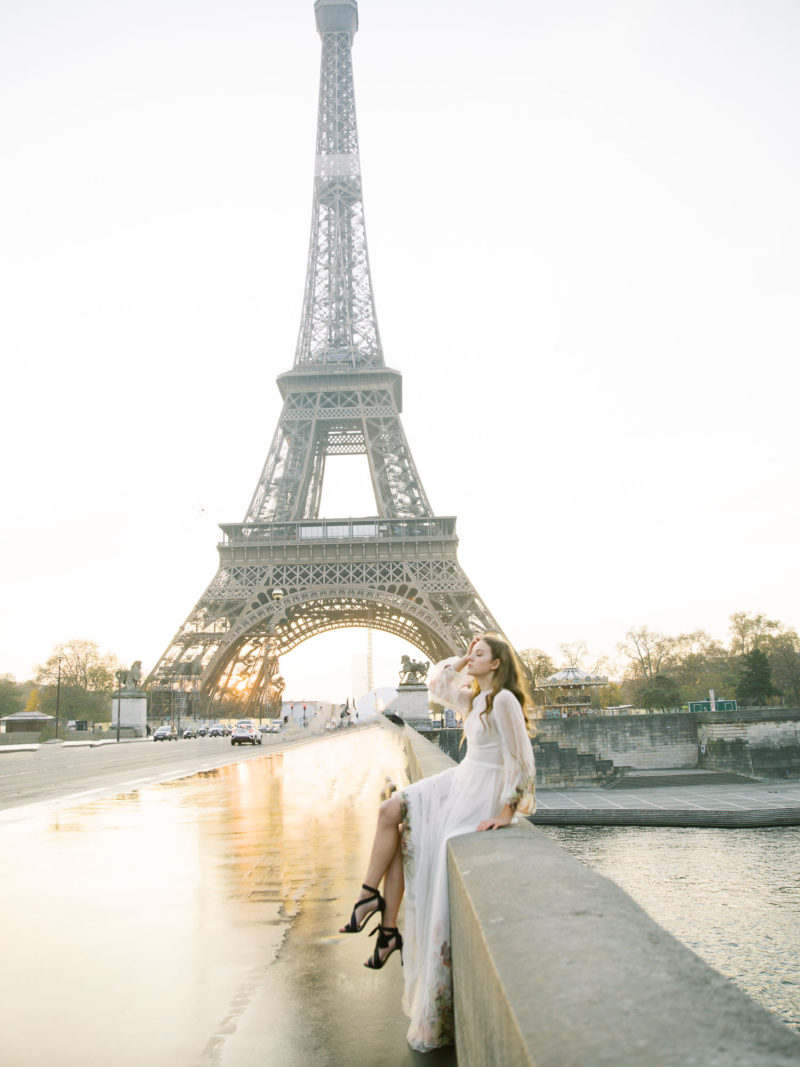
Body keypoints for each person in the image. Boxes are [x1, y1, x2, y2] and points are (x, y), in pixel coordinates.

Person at [338, 633, 536, 1052]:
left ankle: (384, 924)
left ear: (498, 663)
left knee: (416, 828)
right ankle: (374, 905)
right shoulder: (476, 698)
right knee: (391, 811)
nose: (472, 658)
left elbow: (521, 756)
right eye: (472, 653)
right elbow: (437, 686)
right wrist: (464, 659)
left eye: (481, 654)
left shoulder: (503, 701)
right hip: (463, 778)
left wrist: (507, 811)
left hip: (480, 789)